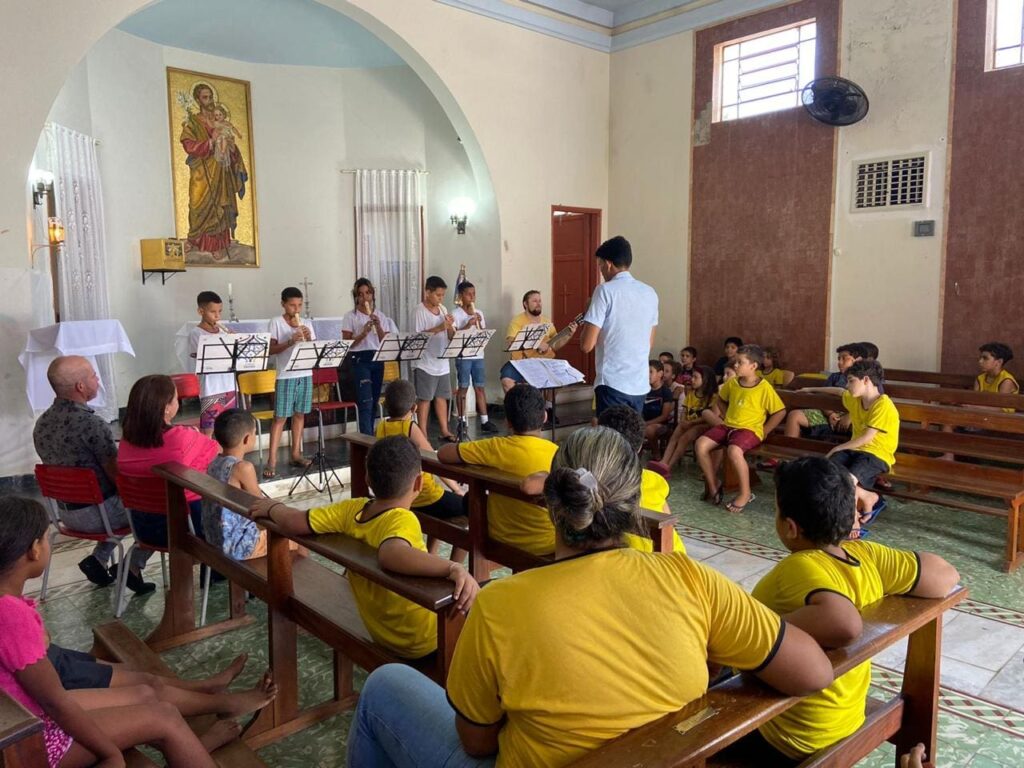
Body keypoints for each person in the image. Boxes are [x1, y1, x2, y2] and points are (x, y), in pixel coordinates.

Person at [346, 427, 834, 767]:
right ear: (635, 502)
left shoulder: (498, 606)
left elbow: (476, 742)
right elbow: (813, 672)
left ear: (551, 501)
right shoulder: (692, 580)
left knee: (385, 686)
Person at [0, 496, 252, 768]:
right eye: (46, 538)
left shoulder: (8, 605)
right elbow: (56, 703)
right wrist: (110, 753)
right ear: (34, 550)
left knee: (148, 698)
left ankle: (195, 741)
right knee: (164, 717)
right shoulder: (10, 616)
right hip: (35, 741)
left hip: (25, 718)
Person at [745, 457, 958, 763]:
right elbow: (946, 575)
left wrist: (755, 629)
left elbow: (844, 624)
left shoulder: (798, 567)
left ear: (790, 527)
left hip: (794, 738)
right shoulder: (866, 556)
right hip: (847, 718)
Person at [248, 436, 479, 660]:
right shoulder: (402, 519)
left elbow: (293, 521)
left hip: (383, 633)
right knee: (484, 605)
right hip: (424, 640)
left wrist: (273, 507)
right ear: (418, 483)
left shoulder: (352, 509)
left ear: (367, 478)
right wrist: (453, 567)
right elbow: (392, 554)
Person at [32, 356, 147, 589]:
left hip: (65, 514)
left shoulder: (41, 424)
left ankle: (98, 559)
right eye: (94, 376)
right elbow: (118, 477)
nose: (98, 380)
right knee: (160, 508)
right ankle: (132, 566)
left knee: (122, 503)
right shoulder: (92, 425)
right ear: (80, 386)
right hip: (100, 514)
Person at [438, 385, 558, 555]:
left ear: (507, 421)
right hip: (546, 545)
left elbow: (443, 453)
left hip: (499, 538)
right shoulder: (557, 454)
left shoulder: (494, 447)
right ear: (545, 416)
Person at [117, 375, 218, 576]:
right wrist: (195, 437)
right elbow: (216, 451)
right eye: (175, 398)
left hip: (143, 529)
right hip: (188, 530)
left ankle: (133, 566)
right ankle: (216, 572)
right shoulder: (182, 437)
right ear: (166, 407)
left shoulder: (125, 443)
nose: (177, 402)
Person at [377, 380, 468, 560]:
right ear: (414, 408)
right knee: (471, 509)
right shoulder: (409, 427)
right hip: (423, 496)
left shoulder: (381, 426)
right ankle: (455, 565)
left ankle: (431, 554)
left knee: (443, 505)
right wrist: (457, 489)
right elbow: (435, 460)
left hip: (397, 492)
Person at [695, 344, 786, 513]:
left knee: (734, 451)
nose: (735, 365)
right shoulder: (733, 383)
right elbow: (721, 399)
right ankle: (713, 484)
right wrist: (727, 414)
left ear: (753, 366)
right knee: (701, 444)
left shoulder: (764, 387)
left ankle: (745, 493)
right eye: (735, 362)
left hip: (749, 430)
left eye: (740, 362)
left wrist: (765, 430)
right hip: (728, 426)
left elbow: (780, 412)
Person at [581, 236, 659, 417]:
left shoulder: (605, 290)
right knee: (632, 432)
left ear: (608, 264)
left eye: (600, 265)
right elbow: (649, 343)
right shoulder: (650, 293)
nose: (601, 271)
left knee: (611, 435)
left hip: (613, 383)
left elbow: (586, 345)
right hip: (639, 384)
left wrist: (588, 314)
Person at [825, 360, 899, 538]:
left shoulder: (883, 404)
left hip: (877, 454)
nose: (847, 385)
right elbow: (839, 392)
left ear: (865, 380)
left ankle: (853, 521)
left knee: (848, 480)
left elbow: (867, 438)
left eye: (851, 381)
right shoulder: (855, 399)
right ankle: (869, 496)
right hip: (855, 450)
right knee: (828, 472)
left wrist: (837, 448)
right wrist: (809, 389)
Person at [179, 82, 248, 260]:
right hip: (201, 172)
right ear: (197, 100)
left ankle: (217, 245)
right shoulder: (193, 121)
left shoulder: (221, 120)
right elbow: (188, 145)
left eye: (211, 97)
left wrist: (230, 146)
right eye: (205, 97)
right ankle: (194, 239)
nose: (209, 101)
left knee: (221, 205)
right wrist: (210, 142)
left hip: (221, 171)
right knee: (197, 204)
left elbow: (232, 145)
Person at [202, 409, 265, 560]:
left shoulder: (214, 463)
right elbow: (262, 506)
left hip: (213, 538)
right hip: (237, 546)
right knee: (295, 538)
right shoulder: (243, 468)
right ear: (247, 439)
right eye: (254, 433)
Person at [265, 287, 315, 478]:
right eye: (292, 305)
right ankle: (271, 461)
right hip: (286, 375)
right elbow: (271, 350)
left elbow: (314, 350)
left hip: (305, 373)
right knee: (280, 418)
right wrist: (290, 341)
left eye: (299, 305)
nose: (296, 309)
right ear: (283, 304)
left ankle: (296, 454)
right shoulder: (276, 322)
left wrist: (308, 339)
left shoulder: (306, 323)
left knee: (300, 414)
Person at [341, 278, 397, 436]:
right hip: (360, 359)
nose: (364, 297)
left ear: (372, 294)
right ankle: (366, 438)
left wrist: (378, 326)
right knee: (365, 401)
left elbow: (384, 341)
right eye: (360, 294)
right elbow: (347, 343)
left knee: (374, 400)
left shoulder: (380, 316)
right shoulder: (350, 316)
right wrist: (363, 333)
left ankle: (370, 434)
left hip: (377, 358)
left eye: (367, 293)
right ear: (356, 297)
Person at [499, 290, 578, 394]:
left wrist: (569, 335)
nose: (538, 304)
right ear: (525, 304)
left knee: (562, 377)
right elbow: (511, 342)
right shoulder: (517, 321)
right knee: (506, 380)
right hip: (522, 362)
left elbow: (555, 345)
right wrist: (536, 344)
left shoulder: (547, 322)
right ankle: (518, 403)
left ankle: (546, 403)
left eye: (540, 301)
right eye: (535, 301)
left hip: (543, 362)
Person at [412, 276, 457, 443]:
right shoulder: (419, 311)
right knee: (425, 399)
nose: (441, 298)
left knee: (441, 397)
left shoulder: (443, 309)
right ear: (427, 292)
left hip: (442, 361)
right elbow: (417, 337)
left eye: (443, 295)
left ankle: (444, 430)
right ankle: (422, 433)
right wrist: (439, 327)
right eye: (438, 295)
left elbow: (451, 335)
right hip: (425, 362)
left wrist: (450, 327)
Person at [187, 291, 237, 437]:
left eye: (220, 311)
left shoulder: (223, 331)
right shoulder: (196, 333)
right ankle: (207, 452)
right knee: (209, 428)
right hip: (211, 387)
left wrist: (233, 342)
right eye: (213, 312)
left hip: (229, 385)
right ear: (201, 311)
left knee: (229, 427)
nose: (217, 316)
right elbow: (201, 360)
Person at [655, 364, 720, 474]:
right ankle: (664, 461)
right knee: (674, 437)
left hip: (701, 425)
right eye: (692, 377)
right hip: (688, 423)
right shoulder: (691, 394)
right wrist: (683, 421)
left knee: (684, 439)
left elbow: (712, 416)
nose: (692, 380)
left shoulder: (713, 396)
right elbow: (685, 411)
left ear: (705, 380)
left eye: (695, 377)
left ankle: (669, 466)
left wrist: (691, 422)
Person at [452, 282, 497, 433]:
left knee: (480, 387)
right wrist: (467, 324)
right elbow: (453, 336)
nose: (472, 297)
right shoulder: (455, 314)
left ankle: (485, 420)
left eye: (474, 294)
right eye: (468, 294)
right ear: (461, 296)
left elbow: (482, 332)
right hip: (463, 356)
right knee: (463, 388)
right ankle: (461, 420)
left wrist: (478, 322)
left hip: (478, 355)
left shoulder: (479, 312)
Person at [642, 359, 675, 450]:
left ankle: (656, 453)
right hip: (644, 422)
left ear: (660, 374)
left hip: (661, 425)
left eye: (651, 372)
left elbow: (664, 416)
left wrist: (646, 423)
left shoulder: (665, 392)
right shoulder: (643, 390)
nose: (647, 375)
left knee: (649, 430)